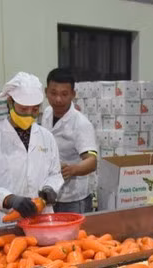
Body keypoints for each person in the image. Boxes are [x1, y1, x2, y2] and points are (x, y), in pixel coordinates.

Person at [0, 72, 64, 223]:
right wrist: (10, 199)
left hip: (42, 218)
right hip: (8, 221)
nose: (29, 115)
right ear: (10, 103)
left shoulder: (46, 137)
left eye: (35, 110)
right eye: (23, 109)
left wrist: (50, 188)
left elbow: (55, 174)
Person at [42, 68, 98, 213]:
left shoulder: (81, 124)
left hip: (73, 199)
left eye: (64, 94)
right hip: (49, 194)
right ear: (46, 91)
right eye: (53, 93)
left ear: (73, 94)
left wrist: (72, 169)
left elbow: (92, 161)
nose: (58, 99)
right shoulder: (47, 113)